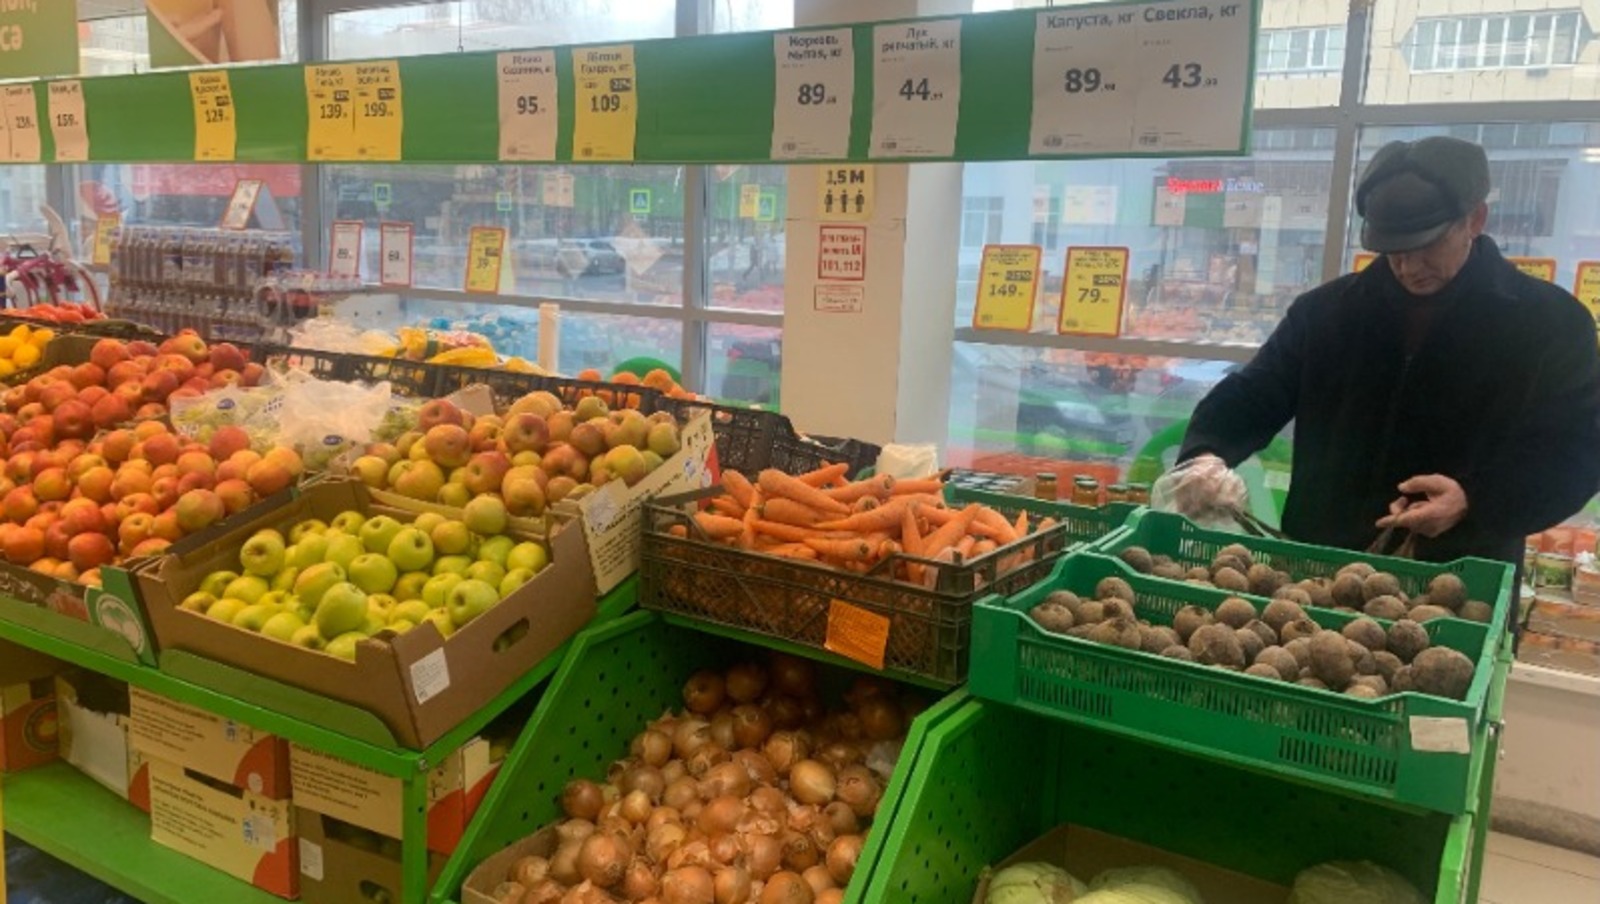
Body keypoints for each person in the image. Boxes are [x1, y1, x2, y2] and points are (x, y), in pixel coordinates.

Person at [1173, 136, 1600, 574]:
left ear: (1474, 219)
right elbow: (1256, 392)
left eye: (1427, 245)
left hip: (1460, 576)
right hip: (1315, 571)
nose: (1409, 267)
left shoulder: (1550, 324)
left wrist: (1472, 499)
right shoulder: (1326, 313)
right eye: (1394, 250)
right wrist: (1207, 453)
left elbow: (1575, 452)